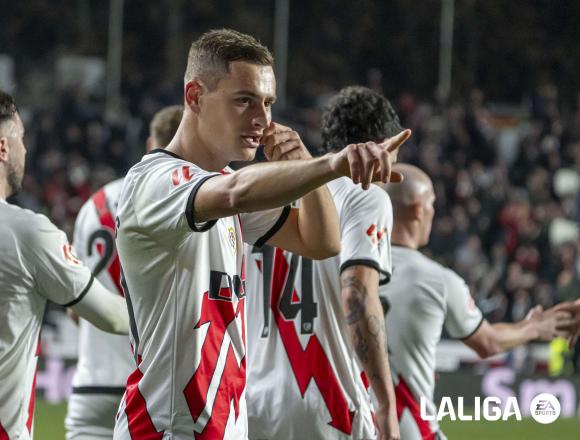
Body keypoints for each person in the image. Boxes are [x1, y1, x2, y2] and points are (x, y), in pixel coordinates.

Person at [113, 29, 410, 440]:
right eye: (244, 100)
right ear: (195, 96)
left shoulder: (217, 184)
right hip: (166, 427)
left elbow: (321, 241)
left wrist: (307, 164)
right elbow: (236, 193)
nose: (263, 119)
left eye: (268, 103)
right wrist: (331, 165)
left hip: (224, 426)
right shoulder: (155, 182)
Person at [0, 84, 129, 439]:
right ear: (1, 148)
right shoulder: (25, 231)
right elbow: (111, 316)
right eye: (20, 137)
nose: (25, 148)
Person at [245, 86, 403, 440]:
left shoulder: (261, 190)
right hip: (326, 404)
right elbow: (357, 297)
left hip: (250, 405)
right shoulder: (364, 195)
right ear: (383, 145)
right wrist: (386, 404)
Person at [380, 164, 575, 440]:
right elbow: (489, 342)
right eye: (432, 204)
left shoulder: (341, 269)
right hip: (409, 427)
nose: (434, 213)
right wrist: (537, 326)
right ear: (418, 210)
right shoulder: (437, 280)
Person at [65, 105, 183, 439]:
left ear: (150, 143)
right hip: (152, 385)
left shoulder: (94, 204)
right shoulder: (183, 199)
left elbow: (76, 308)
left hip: (91, 383)